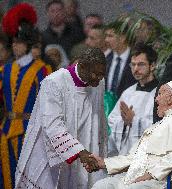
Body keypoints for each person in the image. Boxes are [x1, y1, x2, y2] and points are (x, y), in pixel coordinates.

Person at [15, 48, 108, 189]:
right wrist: (78, 151)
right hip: (53, 155)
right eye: (96, 74)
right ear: (82, 66)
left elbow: (99, 121)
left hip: (86, 152)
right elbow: (52, 126)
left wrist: (98, 150)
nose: (100, 78)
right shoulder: (54, 82)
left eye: (102, 74)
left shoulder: (98, 83)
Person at [87, 81, 172, 189]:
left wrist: (151, 174)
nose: (156, 99)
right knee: (101, 185)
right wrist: (103, 163)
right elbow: (134, 158)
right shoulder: (159, 124)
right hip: (141, 176)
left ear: (170, 98)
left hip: (166, 179)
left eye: (159, 94)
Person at [0, 3, 52, 189]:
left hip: (32, 131)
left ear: (28, 44)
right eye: (13, 42)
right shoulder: (4, 70)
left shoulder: (43, 70)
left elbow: (49, 104)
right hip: (6, 130)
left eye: (19, 42)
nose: (15, 45)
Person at [108, 43, 158, 156]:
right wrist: (124, 122)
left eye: (141, 64)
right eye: (133, 64)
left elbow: (161, 126)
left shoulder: (160, 93)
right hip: (126, 153)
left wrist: (134, 120)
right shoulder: (128, 93)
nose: (135, 69)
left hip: (149, 155)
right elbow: (112, 120)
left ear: (153, 65)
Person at [105, 21, 136, 98]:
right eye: (106, 36)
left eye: (110, 36)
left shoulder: (136, 58)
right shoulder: (105, 59)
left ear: (122, 38)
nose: (106, 40)